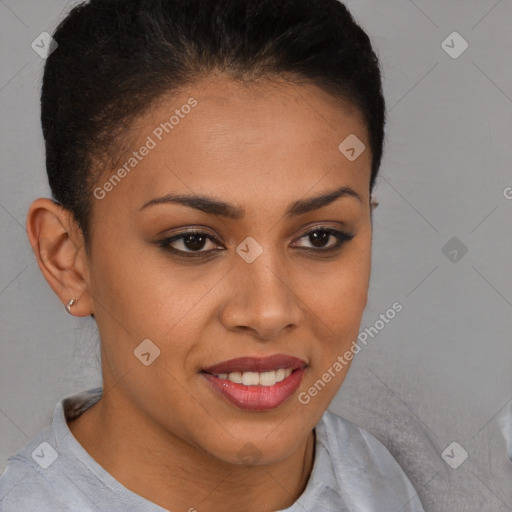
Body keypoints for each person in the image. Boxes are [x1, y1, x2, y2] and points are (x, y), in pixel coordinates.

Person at [0, 0, 425, 510]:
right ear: (67, 259)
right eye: (193, 241)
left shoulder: (379, 482)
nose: (268, 312)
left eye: (319, 237)